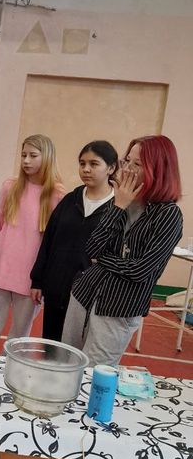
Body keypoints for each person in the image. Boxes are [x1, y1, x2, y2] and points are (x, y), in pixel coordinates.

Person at [61, 135, 183, 367]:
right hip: (85, 294)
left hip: (119, 308)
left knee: (95, 373)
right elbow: (92, 248)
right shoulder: (120, 201)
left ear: (158, 169)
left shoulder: (168, 214)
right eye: (127, 161)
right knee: (66, 364)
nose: (127, 169)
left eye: (137, 164)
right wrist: (118, 206)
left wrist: (103, 260)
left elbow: (141, 270)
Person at [0, 134, 64, 354]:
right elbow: (2, 222)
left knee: (20, 335)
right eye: (23, 155)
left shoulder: (58, 195)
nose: (26, 160)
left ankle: (10, 369)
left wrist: (42, 279)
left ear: (47, 157)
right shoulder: (10, 186)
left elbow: (53, 241)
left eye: (33, 155)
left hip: (32, 278)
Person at [30, 140, 118, 341]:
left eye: (94, 164)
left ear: (111, 168)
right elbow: (48, 241)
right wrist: (38, 280)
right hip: (56, 290)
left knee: (79, 351)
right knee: (51, 348)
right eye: (82, 163)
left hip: (91, 296)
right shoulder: (70, 200)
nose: (86, 169)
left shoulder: (118, 208)